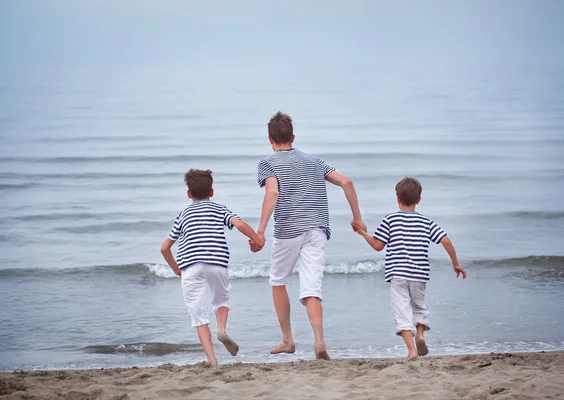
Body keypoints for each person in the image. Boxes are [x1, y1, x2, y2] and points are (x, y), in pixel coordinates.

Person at [250, 111, 366, 360]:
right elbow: (347, 183)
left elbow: (271, 194)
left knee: (278, 280)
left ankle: (288, 340)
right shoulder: (314, 161)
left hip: (289, 230)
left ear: (270, 139)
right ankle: (319, 341)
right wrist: (357, 218)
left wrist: (260, 231)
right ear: (293, 136)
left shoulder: (268, 163)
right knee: (311, 287)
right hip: (317, 230)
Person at [352, 177, 466, 361]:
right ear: (419, 199)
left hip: (398, 274)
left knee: (402, 311)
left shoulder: (390, 219)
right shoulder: (425, 221)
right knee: (419, 307)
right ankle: (420, 334)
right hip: (419, 274)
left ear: (397, 198)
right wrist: (455, 263)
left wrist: (363, 233)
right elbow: (445, 240)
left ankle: (411, 350)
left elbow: (378, 246)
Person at [160, 169, 265, 366]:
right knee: (221, 299)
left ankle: (211, 359)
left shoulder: (183, 214)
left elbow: (164, 247)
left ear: (189, 194)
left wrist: (176, 269)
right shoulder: (219, 209)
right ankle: (222, 330)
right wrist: (257, 238)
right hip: (217, 263)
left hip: (191, 267)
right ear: (212, 192)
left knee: (199, 316)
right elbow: (240, 225)